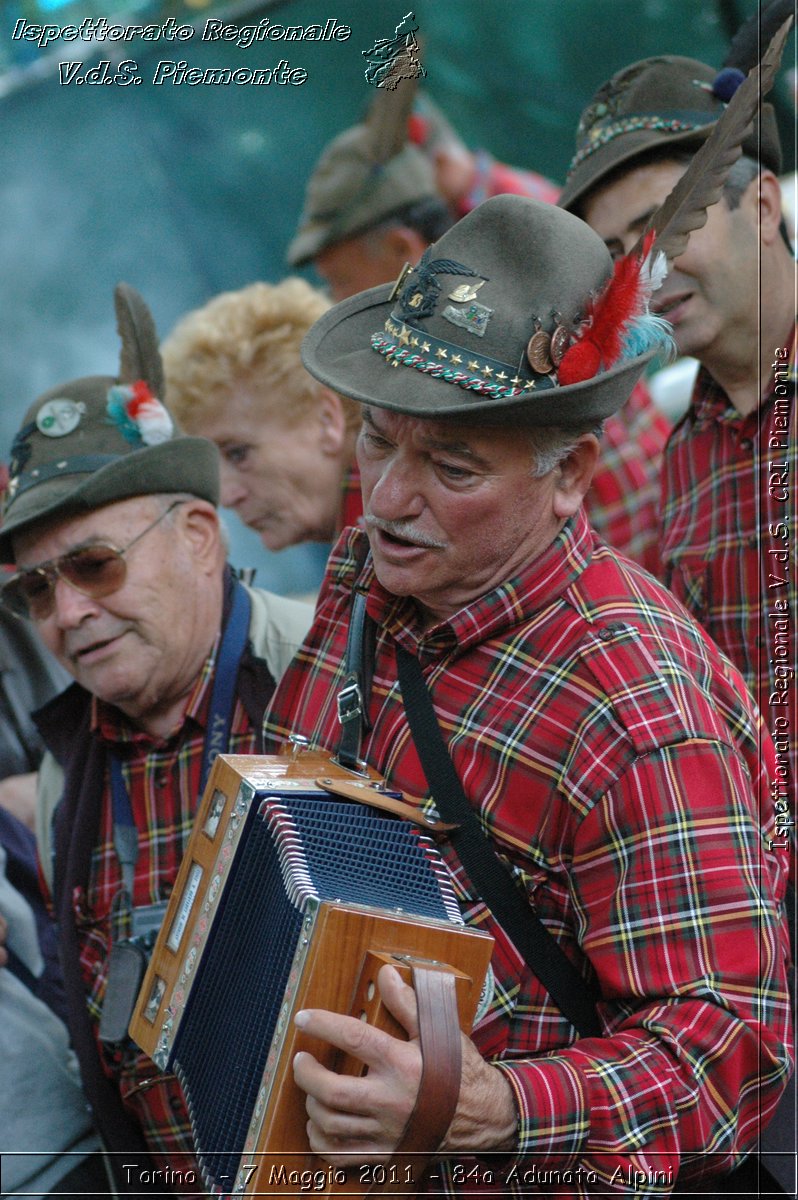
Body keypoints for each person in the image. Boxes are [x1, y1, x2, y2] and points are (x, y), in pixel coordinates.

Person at [261, 194, 792, 1195]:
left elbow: (725, 1050)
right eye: (377, 441)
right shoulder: (366, 573)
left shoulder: (639, 715)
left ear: (572, 475)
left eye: (451, 466)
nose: (385, 502)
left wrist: (484, 1106)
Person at [0, 284, 313, 1196]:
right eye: (36, 591)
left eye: (96, 565)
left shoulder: (327, 677)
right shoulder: (68, 768)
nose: (68, 613)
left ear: (201, 538)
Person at [558, 35, 797, 842]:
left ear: (762, 204)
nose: (646, 275)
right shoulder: (684, 451)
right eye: (619, 254)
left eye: (667, 224)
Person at [288, 103, 671, 578]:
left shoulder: (531, 300)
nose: (331, 298)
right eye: (377, 442)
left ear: (400, 249)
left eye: (454, 468)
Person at [162, 278, 364, 552]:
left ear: (327, 420)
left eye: (238, 454)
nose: (228, 496)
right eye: (210, 466)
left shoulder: (402, 552)